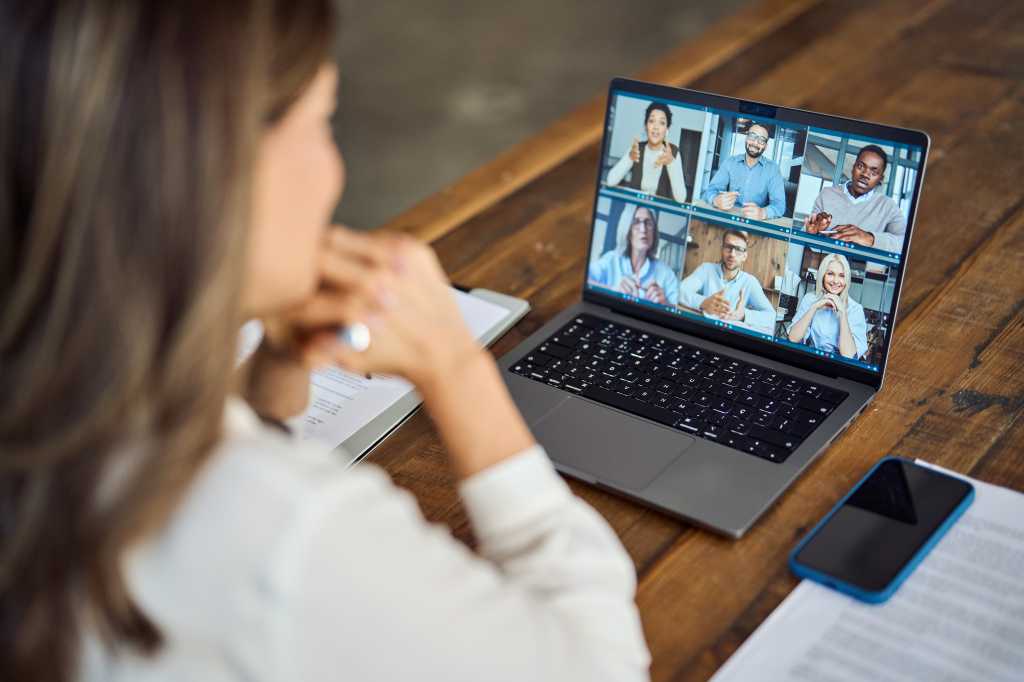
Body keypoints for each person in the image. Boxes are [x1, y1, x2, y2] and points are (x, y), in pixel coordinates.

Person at [0, 4, 651, 682]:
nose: (335, 171)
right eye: (321, 122)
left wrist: (268, 386)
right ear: (217, 171)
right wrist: (456, 366)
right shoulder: (287, 536)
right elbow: (601, 666)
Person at [803, 145, 906, 252]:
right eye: (861, 166)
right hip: (823, 264)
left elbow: (904, 243)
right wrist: (812, 232)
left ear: (880, 179)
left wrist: (869, 238)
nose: (865, 174)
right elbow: (809, 233)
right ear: (853, 168)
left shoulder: (888, 206)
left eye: (874, 172)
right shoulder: (827, 194)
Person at [678, 230, 774, 330]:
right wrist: (703, 302)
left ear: (744, 256)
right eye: (728, 247)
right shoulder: (706, 269)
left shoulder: (750, 282)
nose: (732, 254)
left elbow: (771, 317)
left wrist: (744, 315)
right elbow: (679, 290)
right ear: (722, 249)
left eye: (738, 249)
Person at [588, 205, 680, 305]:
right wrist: (613, 291)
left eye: (648, 223)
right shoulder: (611, 259)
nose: (643, 229)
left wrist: (665, 304)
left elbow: (678, 310)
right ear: (627, 229)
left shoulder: (667, 274)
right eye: (636, 222)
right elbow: (585, 280)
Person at [787, 253, 868, 359]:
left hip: (839, 368)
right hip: (810, 359)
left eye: (841, 275)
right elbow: (793, 338)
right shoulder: (810, 299)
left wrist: (843, 313)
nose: (835, 281)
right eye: (830, 274)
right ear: (823, 275)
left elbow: (848, 355)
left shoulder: (855, 309)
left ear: (847, 279)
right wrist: (814, 307)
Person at [700, 123, 786, 221]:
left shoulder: (773, 169)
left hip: (755, 222)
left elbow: (780, 206)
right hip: (728, 217)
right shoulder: (730, 162)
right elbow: (710, 191)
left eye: (761, 140)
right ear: (746, 138)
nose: (755, 143)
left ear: (766, 146)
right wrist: (716, 200)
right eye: (752, 136)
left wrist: (763, 213)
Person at [606, 101, 688, 203]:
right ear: (646, 126)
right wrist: (629, 158)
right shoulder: (636, 149)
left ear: (667, 129)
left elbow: (681, 198)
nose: (656, 127)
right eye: (652, 121)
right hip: (634, 206)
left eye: (662, 123)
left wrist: (670, 162)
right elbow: (610, 181)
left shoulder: (673, 152)